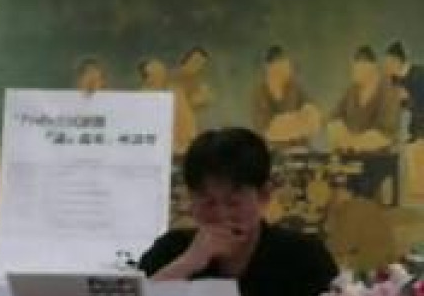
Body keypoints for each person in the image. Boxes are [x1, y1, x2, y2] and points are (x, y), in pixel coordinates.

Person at [139, 127, 338, 296]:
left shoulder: (303, 256)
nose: (221, 215)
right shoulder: (170, 250)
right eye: (209, 203)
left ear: (263, 196)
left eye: (233, 203)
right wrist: (188, 262)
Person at [327, 46, 402, 152]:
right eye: (355, 67)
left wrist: (356, 143)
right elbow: (333, 119)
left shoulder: (389, 92)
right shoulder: (352, 91)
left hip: (382, 156)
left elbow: (386, 134)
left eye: (361, 67)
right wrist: (340, 134)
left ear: (373, 67)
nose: (354, 72)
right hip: (351, 154)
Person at [250, 45, 321, 147]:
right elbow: (269, 131)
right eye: (279, 67)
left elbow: (314, 119)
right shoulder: (260, 94)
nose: (286, 72)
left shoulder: (294, 88)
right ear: (269, 68)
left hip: (301, 148)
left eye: (286, 67)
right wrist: (298, 121)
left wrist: (298, 122)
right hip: (272, 150)